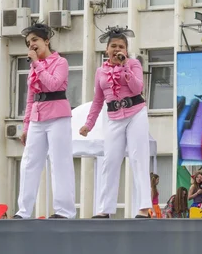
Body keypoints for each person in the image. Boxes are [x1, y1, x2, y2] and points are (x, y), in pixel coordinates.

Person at [79, 26, 152, 219]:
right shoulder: (100, 71)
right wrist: (89, 124)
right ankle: (105, 208)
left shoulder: (134, 63)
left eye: (121, 46)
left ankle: (144, 207)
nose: (117, 49)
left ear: (126, 50)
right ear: (106, 50)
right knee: (110, 161)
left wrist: (125, 66)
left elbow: (137, 88)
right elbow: (97, 100)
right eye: (113, 46)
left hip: (136, 112)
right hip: (113, 116)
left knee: (139, 158)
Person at [14, 23, 76, 219]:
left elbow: (54, 84)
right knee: (29, 163)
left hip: (58, 116)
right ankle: (23, 211)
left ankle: (64, 211)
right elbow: (31, 98)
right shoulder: (34, 68)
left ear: (46, 41)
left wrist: (37, 65)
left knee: (60, 162)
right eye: (28, 42)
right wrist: (26, 126)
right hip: (37, 119)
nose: (31, 45)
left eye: (35, 40)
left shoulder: (60, 62)